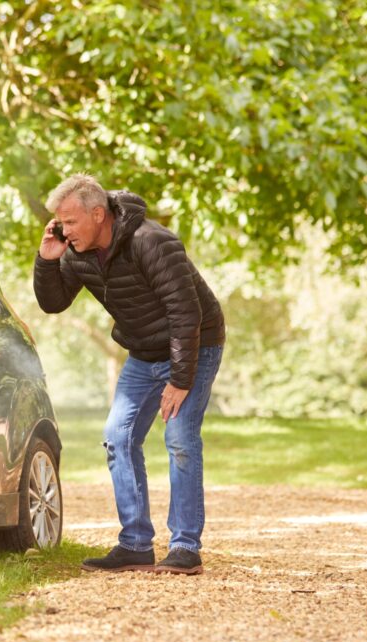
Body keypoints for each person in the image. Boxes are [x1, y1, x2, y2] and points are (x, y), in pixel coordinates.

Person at [34, 174, 226, 575]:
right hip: (142, 352)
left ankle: (185, 546)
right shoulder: (76, 252)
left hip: (195, 343)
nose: (63, 230)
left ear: (98, 214)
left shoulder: (152, 242)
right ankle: (136, 544)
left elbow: (185, 313)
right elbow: (53, 303)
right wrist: (46, 260)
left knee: (180, 439)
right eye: (60, 224)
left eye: (69, 222)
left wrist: (179, 379)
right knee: (117, 438)